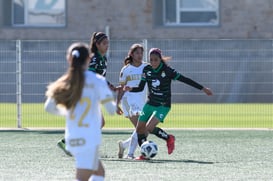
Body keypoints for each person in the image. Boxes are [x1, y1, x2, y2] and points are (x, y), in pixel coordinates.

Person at [124, 48, 213, 160]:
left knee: (149, 128)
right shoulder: (147, 70)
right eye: (151, 60)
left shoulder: (167, 71)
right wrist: (129, 89)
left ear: (160, 60)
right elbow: (141, 87)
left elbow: (185, 79)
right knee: (139, 129)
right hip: (150, 103)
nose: (153, 62)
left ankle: (169, 138)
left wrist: (203, 88)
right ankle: (144, 153)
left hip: (163, 105)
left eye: (155, 60)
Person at [44, 42, 116, 181]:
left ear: (69, 59)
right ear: (89, 58)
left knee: (99, 173)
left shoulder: (65, 81)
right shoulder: (97, 80)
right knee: (82, 177)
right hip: (89, 137)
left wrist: (68, 112)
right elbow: (111, 110)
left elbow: (49, 107)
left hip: (73, 136)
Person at [57, 32, 118, 156]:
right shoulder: (94, 58)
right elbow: (90, 77)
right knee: (97, 123)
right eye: (104, 43)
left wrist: (110, 85)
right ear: (97, 44)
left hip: (93, 96)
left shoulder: (103, 58)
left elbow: (100, 78)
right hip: (88, 95)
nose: (107, 46)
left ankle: (71, 143)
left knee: (97, 123)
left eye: (108, 43)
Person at [115, 43, 147, 159]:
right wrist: (117, 104)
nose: (140, 55)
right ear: (132, 54)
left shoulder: (146, 67)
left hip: (141, 102)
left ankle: (124, 145)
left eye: (141, 53)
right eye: (137, 53)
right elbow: (121, 88)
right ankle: (130, 154)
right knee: (140, 128)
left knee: (144, 129)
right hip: (128, 101)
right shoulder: (126, 70)